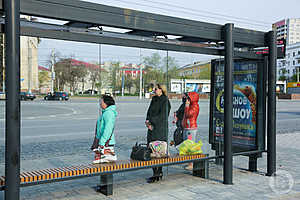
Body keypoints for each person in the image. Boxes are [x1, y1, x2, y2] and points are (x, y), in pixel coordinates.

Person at [145, 84, 171, 183]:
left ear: (161, 90)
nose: (154, 90)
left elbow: (163, 116)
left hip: (160, 129)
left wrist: (152, 122)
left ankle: (159, 172)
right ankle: (154, 173)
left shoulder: (165, 101)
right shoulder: (154, 99)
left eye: (156, 89)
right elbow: (149, 111)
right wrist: (148, 121)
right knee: (151, 150)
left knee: (159, 151)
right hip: (151, 128)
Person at [93, 95, 118, 164]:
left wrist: (102, 142)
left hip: (106, 143)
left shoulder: (109, 113)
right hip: (104, 142)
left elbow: (108, 129)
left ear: (106, 103)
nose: (100, 103)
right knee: (104, 166)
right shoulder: (105, 113)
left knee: (107, 167)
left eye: (101, 102)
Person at [182, 92, 199, 170]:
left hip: (191, 128)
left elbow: (188, 114)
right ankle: (189, 162)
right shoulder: (192, 105)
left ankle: (191, 164)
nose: (187, 100)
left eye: (188, 98)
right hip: (187, 127)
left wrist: (187, 106)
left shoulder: (195, 106)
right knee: (187, 145)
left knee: (190, 146)